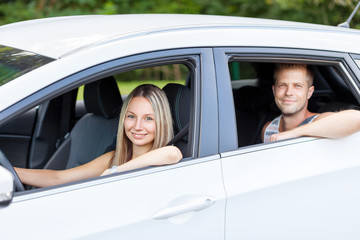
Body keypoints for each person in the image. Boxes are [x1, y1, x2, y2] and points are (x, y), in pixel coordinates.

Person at [15, 84, 183, 188]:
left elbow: (172, 154)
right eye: (131, 116)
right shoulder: (114, 157)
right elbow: (57, 178)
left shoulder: (164, 156)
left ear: (161, 121)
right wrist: (11, 172)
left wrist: (114, 172)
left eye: (148, 119)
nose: (137, 127)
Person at [262, 63, 360, 143]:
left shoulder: (318, 122)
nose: (288, 92)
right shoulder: (268, 129)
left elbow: (357, 118)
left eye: (298, 86)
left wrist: (293, 133)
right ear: (274, 90)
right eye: (282, 85)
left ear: (309, 92)